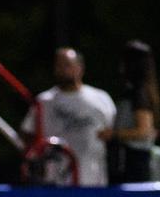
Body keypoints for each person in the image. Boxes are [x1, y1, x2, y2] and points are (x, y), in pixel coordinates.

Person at [20, 48, 116, 187]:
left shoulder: (101, 98)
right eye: (58, 65)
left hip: (92, 179)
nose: (62, 69)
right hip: (55, 180)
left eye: (67, 65)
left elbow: (111, 132)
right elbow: (28, 134)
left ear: (80, 68)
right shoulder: (44, 101)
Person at [107, 40, 160, 184]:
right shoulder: (133, 91)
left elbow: (145, 131)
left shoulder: (140, 93)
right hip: (129, 160)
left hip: (134, 162)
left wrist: (113, 134)